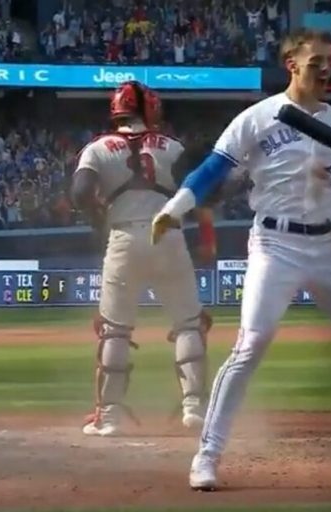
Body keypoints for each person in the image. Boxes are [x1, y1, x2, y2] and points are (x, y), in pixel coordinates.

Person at [150, 28, 331, 491]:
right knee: (251, 344)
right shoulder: (257, 118)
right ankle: (207, 455)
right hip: (274, 244)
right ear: (291, 64)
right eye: (316, 62)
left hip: (328, 245)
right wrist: (174, 209)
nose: (326, 69)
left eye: (330, 61)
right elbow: (212, 169)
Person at [71, 80, 216, 437]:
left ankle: (109, 417)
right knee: (187, 323)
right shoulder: (172, 147)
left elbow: (79, 193)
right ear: (150, 110)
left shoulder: (97, 148)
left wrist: (97, 218)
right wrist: (208, 240)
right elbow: (201, 195)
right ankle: (194, 408)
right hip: (168, 235)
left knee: (115, 330)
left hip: (123, 236)